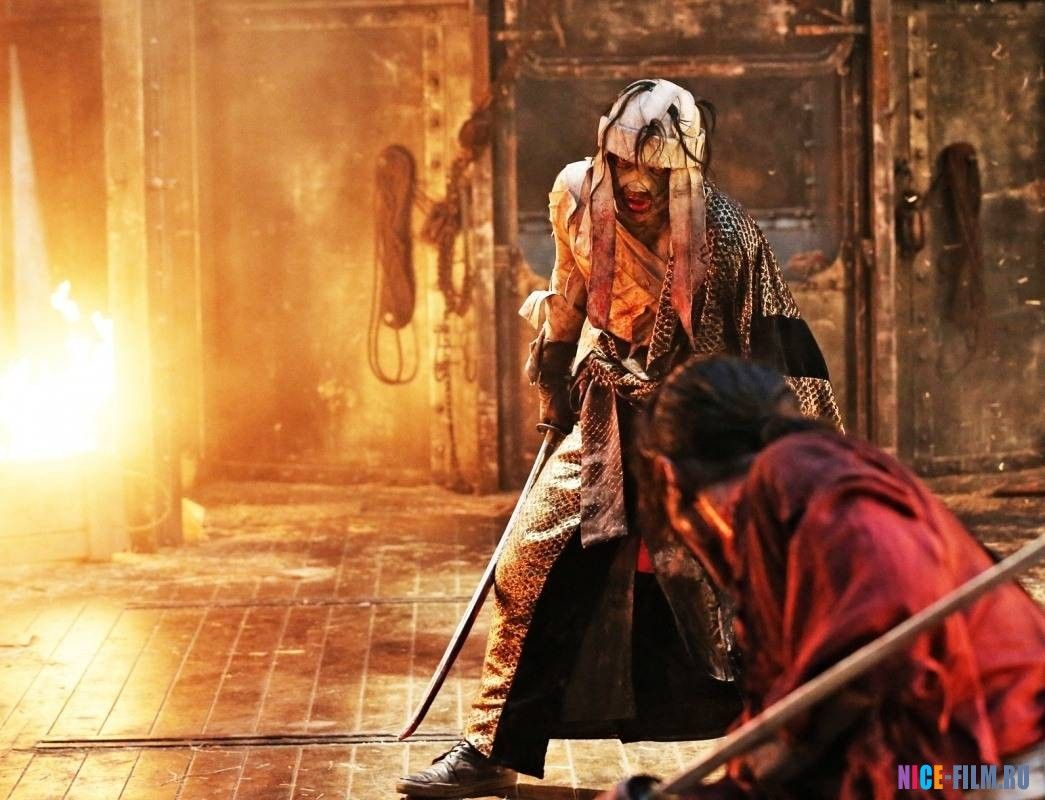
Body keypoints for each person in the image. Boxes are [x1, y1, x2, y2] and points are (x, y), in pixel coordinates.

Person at [397, 79, 840, 798]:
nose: (635, 183)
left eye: (654, 170)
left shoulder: (726, 236)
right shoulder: (575, 195)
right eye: (624, 162)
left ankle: (807, 739)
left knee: (747, 578)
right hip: (609, 409)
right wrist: (553, 374)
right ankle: (491, 748)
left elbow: (771, 348)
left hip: (701, 428)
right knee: (531, 558)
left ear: (684, 169)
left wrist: (799, 460)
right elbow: (568, 288)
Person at [601, 356, 1045, 800]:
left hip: (998, 768)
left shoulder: (797, 470)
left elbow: (885, 601)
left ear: (671, 474)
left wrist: (791, 738)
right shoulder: (794, 509)